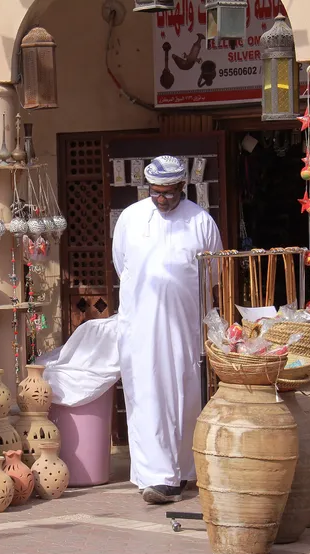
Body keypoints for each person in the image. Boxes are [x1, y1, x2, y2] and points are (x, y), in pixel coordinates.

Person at [112, 155, 223, 504]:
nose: (161, 199)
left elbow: (213, 273)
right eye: (155, 192)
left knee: (184, 395)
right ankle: (157, 477)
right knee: (146, 394)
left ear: (182, 187)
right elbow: (122, 265)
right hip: (141, 326)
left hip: (183, 328)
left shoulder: (200, 221)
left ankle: (185, 470)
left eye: (168, 192)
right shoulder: (131, 218)